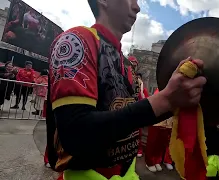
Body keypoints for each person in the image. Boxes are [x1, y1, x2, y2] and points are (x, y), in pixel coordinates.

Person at [46, 1, 206, 180]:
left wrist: (178, 97)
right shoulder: (76, 40)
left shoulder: (126, 64)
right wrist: (166, 100)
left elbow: (136, 116)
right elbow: (76, 133)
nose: (137, 7)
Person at [145, 89, 174, 172]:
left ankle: (157, 161)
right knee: (152, 143)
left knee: (161, 144)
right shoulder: (160, 90)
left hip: (168, 122)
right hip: (157, 122)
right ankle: (149, 162)